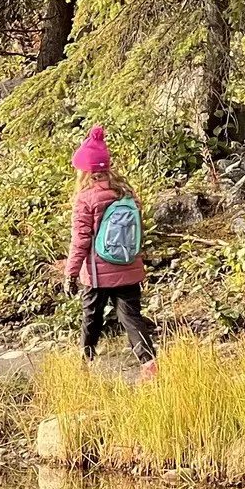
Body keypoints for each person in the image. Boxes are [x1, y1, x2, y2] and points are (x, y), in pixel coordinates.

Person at [63, 124, 158, 371]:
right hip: (128, 267)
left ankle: (85, 363)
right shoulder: (126, 193)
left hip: (97, 275)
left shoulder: (85, 198)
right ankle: (149, 364)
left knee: (91, 318)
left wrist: (71, 273)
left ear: (85, 171)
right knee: (131, 317)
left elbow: (81, 240)